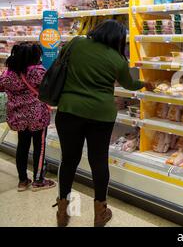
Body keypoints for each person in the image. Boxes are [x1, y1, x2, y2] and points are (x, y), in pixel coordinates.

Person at [54, 19, 148, 227]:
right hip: (101, 115)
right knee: (98, 161)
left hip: (69, 110)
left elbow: (61, 63)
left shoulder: (75, 43)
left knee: (69, 160)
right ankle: (100, 213)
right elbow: (129, 83)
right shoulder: (117, 58)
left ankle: (63, 212)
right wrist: (145, 84)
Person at [0, 43, 55, 192]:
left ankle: (23, 181)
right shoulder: (37, 71)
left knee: (22, 147)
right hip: (37, 116)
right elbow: (48, 87)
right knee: (39, 147)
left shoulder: (8, 73)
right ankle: (38, 180)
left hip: (18, 116)